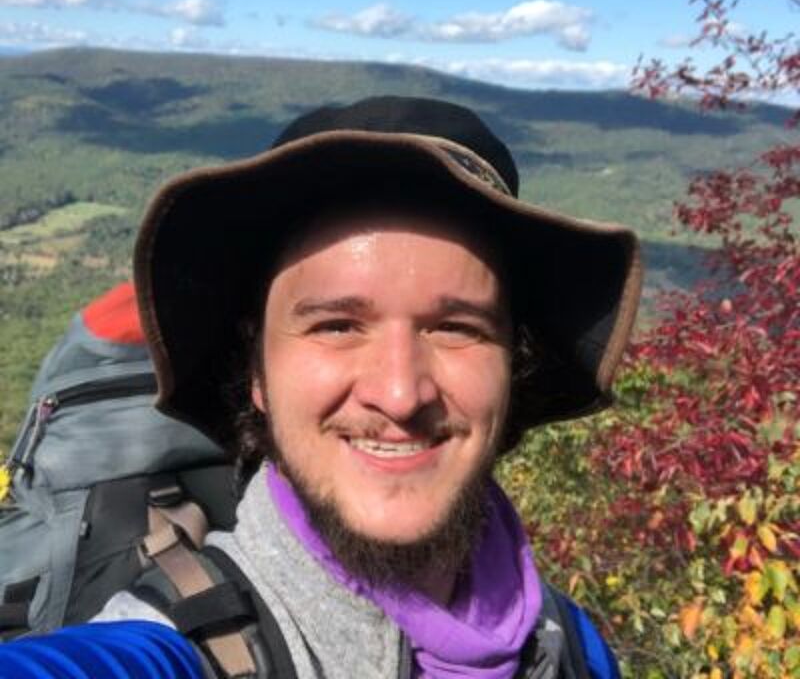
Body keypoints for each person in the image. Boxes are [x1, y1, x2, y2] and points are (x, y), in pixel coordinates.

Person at [92, 95, 642, 678]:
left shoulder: (572, 644)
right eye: (336, 326)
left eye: (456, 328)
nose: (401, 394)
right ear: (257, 372)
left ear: (512, 367)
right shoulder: (171, 652)